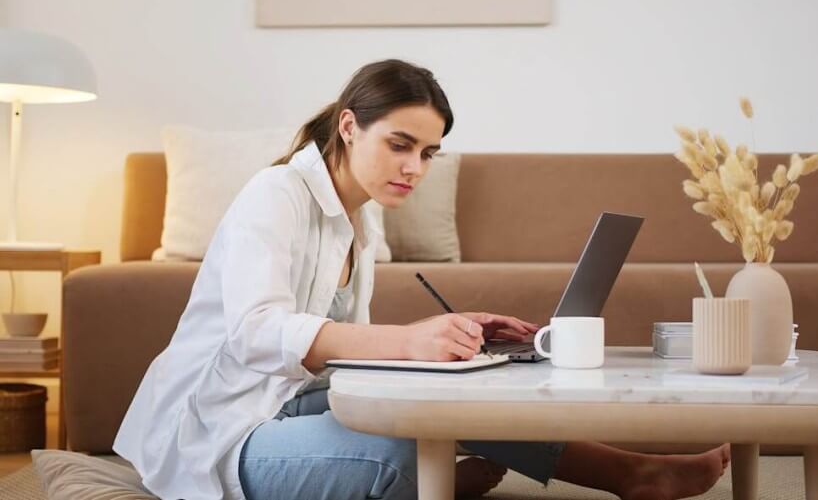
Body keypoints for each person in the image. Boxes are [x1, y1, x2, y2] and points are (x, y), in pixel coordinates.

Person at [114, 59, 731, 500]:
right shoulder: (275, 194)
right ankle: (434, 483)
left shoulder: (360, 219)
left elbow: (338, 349)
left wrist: (446, 339)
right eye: (401, 145)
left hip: (283, 402)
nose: (415, 168)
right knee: (405, 451)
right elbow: (256, 332)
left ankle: (630, 473)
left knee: (457, 393)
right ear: (350, 126)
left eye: (428, 153)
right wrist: (410, 341)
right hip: (217, 433)